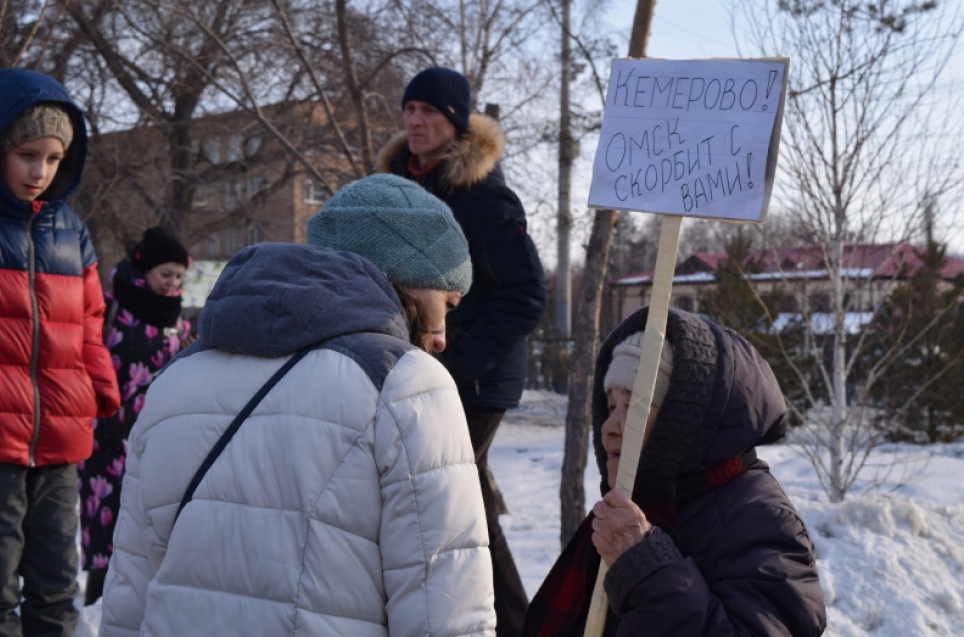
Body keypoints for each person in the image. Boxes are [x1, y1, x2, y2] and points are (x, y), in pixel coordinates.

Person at [100, 174, 495, 636]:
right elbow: (445, 605)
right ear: (408, 277)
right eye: (446, 302)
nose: (444, 335)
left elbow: (129, 586)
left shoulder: (175, 379)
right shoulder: (405, 384)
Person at [523, 307, 827, 636]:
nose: (610, 426)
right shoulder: (643, 509)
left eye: (636, 406)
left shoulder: (759, 520)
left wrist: (647, 570)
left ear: (683, 422)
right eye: (611, 406)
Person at [378, 66, 547, 635]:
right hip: (417, 368)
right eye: (410, 110)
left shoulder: (486, 198)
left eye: (430, 112)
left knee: (450, 498)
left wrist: (457, 362)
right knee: (457, 495)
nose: (416, 121)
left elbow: (525, 298)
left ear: (455, 123)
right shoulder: (400, 191)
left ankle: (514, 623)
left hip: (473, 379)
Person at [0, 68, 120, 636]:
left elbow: (90, 322)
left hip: (60, 438)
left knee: (57, 585)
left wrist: (99, 391)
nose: (40, 171)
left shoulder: (71, 230)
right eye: (26, 155)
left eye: (52, 157)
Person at [77, 226, 193, 606]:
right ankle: (97, 599)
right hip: (105, 432)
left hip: (155, 437)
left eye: (179, 275)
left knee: (149, 522)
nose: (172, 283)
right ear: (144, 269)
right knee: (104, 519)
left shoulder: (178, 320)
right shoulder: (112, 308)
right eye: (166, 274)